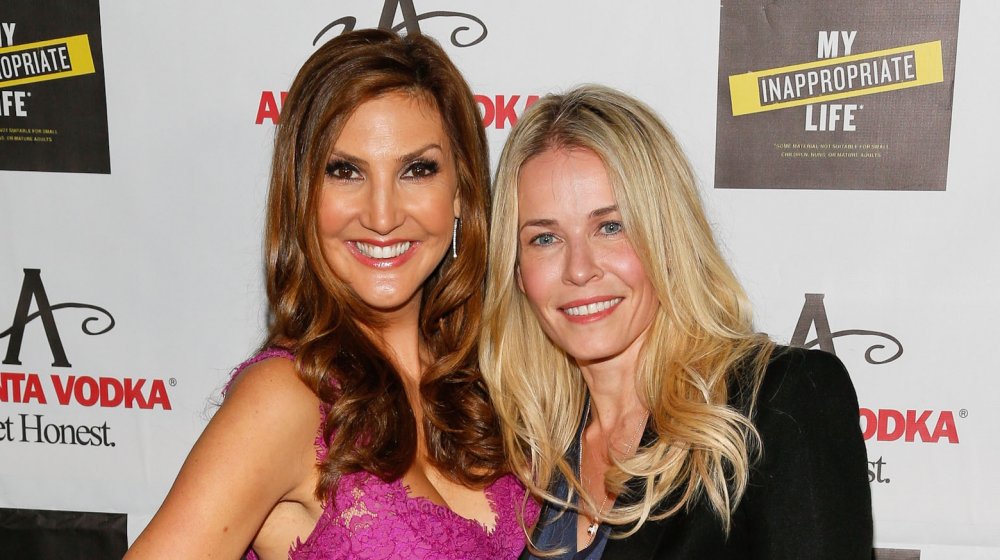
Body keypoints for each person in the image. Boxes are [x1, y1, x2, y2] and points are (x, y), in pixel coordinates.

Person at [126, 29, 537, 560]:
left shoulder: (490, 382)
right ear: (303, 196)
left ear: (460, 193)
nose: (382, 216)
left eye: (417, 170)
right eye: (345, 172)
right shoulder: (285, 398)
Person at [480, 84, 872, 559]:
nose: (579, 269)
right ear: (517, 271)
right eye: (545, 238)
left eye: (610, 227)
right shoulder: (522, 452)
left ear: (668, 238)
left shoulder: (781, 401)